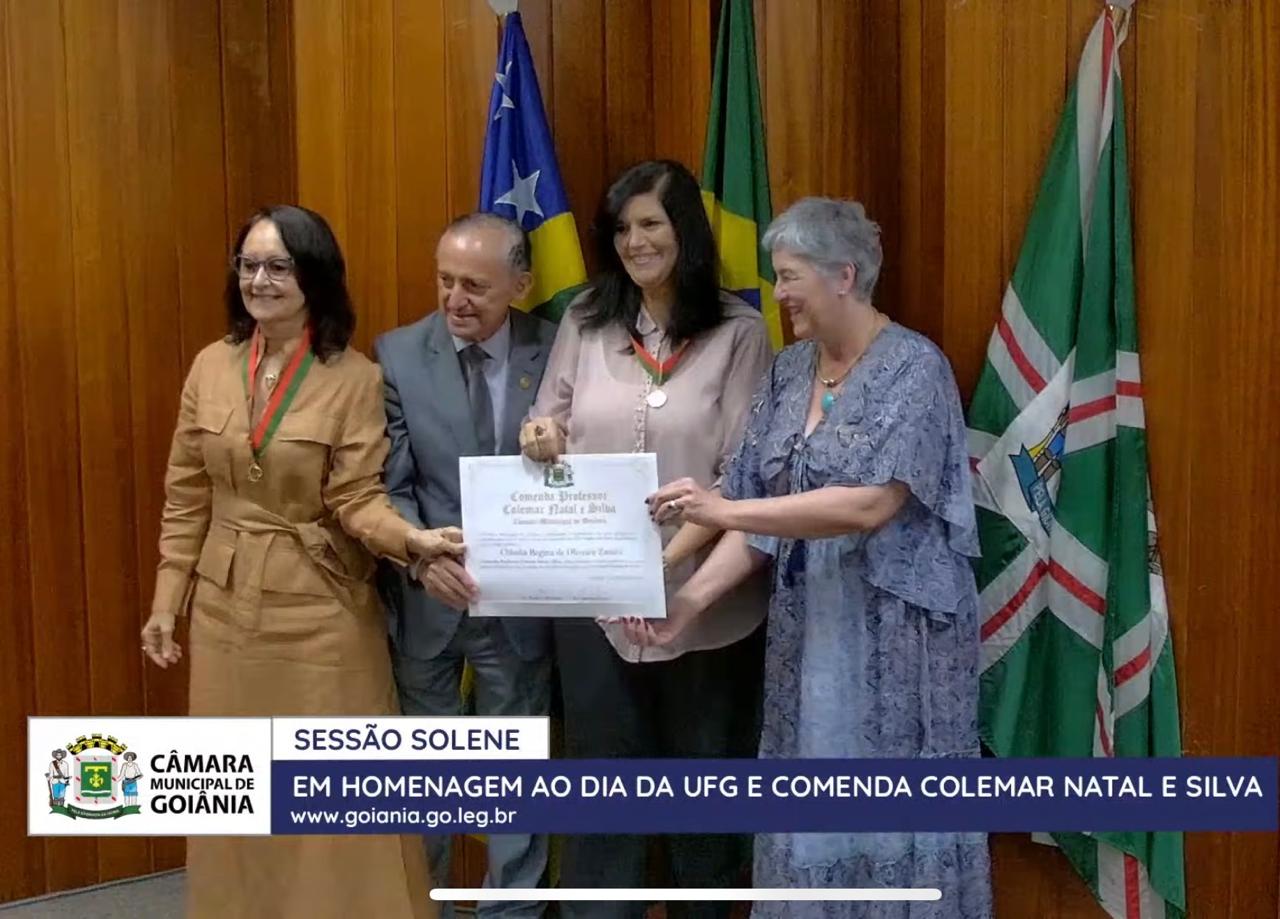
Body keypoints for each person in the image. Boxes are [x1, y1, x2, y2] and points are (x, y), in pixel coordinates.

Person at [632, 197, 994, 917]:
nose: (779, 293)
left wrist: (722, 511)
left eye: (791, 276)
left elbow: (868, 504)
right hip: (809, 636)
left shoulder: (916, 369)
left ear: (844, 275)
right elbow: (749, 498)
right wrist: (680, 596)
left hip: (900, 642)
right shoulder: (791, 370)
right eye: (778, 276)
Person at [140, 204, 462, 919]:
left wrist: (412, 541)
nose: (259, 280)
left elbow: (358, 498)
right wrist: (167, 601)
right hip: (226, 612)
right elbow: (186, 496)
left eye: (278, 266)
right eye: (249, 265)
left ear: (313, 276)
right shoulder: (210, 365)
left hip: (321, 612)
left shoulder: (353, 377)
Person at [521, 160, 773, 918]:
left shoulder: (739, 331)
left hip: (707, 599)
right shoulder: (586, 318)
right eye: (623, 228)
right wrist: (541, 434)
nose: (635, 241)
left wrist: (663, 565)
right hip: (596, 597)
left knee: (703, 790)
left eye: (651, 224)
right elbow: (550, 417)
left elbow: (744, 474)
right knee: (602, 787)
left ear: (685, 230)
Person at [375, 212, 557, 918]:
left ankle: (512, 911)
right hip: (429, 597)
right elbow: (388, 485)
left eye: (475, 286)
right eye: (445, 280)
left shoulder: (558, 347)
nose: (456, 299)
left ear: (521, 284)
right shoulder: (396, 354)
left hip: (519, 602)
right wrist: (420, 558)